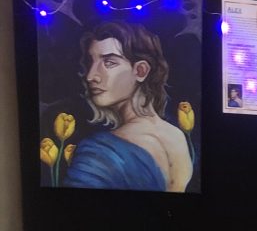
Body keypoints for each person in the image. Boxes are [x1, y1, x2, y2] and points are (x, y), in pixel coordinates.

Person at [64, 21, 192, 192]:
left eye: (109, 62)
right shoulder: (177, 137)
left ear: (140, 71)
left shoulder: (99, 151)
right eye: (90, 62)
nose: (91, 76)